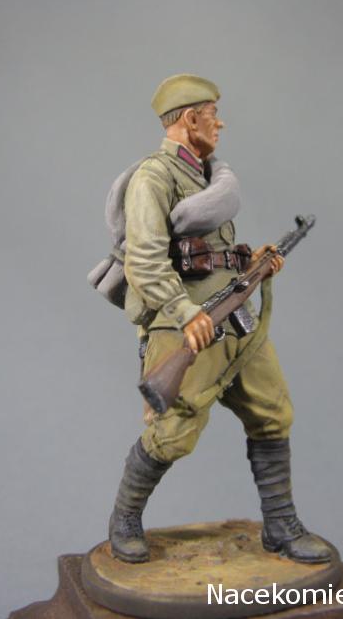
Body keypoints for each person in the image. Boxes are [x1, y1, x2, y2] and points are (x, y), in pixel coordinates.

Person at [105, 74, 331, 565]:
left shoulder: (205, 176)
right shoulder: (154, 178)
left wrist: (253, 261)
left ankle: (281, 524)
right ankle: (124, 518)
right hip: (186, 326)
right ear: (190, 119)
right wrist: (185, 313)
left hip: (233, 321)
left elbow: (209, 254)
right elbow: (145, 260)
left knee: (272, 410)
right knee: (173, 433)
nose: (219, 123)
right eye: (212, 115)